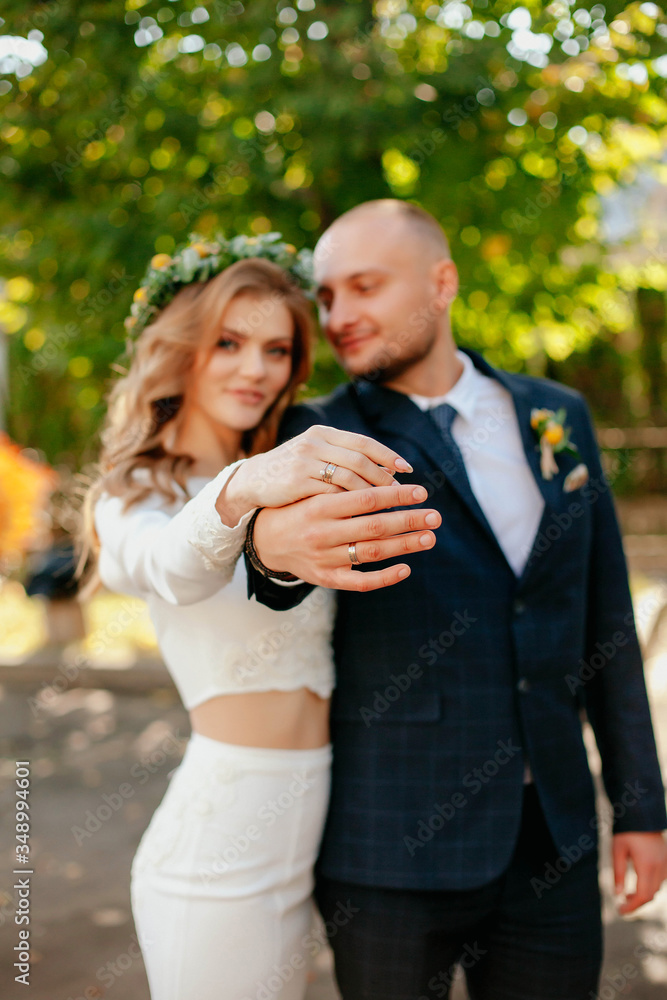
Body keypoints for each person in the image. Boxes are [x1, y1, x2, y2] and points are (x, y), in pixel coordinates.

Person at [240, 201, 667, 1000]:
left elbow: (603, 618)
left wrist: (640, 807)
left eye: (364, 286)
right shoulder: (314, 434)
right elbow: (273, 576)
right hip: (389, 851)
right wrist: (270, 551)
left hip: (554, 842)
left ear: (441, 284)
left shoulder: (556, 415)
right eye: (326, 296)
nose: (337, 316)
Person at [76, 232, 441, 1000]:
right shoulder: (135, 495)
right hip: (215, 857)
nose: (255, 369)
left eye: (276, 350)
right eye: (228, 343)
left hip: (304, 844)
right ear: (181, 349)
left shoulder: (292, 485)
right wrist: (241, 486)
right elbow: (165, 566)